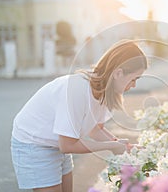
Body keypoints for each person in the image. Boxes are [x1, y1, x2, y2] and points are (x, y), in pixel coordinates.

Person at [11, 40, 148, 192]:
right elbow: (67, 145)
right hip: (34, 144)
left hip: (56, 142)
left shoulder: (104, 92)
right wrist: (111, 146)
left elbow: (95, 130)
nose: (134, 85)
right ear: (118, 73)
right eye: (134, 79)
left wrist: (127, 147)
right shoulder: (78, 90)